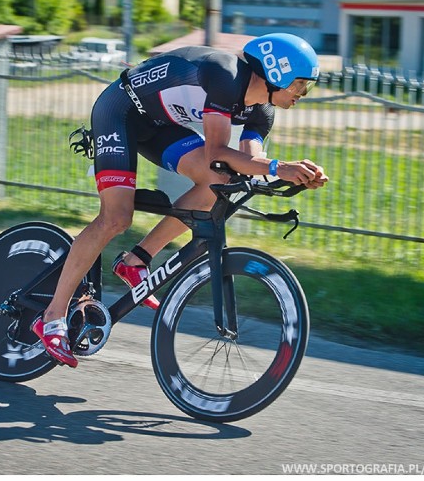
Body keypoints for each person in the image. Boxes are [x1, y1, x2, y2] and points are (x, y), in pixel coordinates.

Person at [32, 32, 330, 367]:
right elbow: (219, 150)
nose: (302, 95)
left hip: (162, 125)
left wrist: (292, 175)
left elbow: (247, 163)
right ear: (277, 73)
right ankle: (52, 317)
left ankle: (136, 260)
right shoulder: (226, 76)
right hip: (122, 111)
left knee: (222, 180)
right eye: (301, 85)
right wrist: (280, 166)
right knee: (116, 218)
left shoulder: (263, 112)